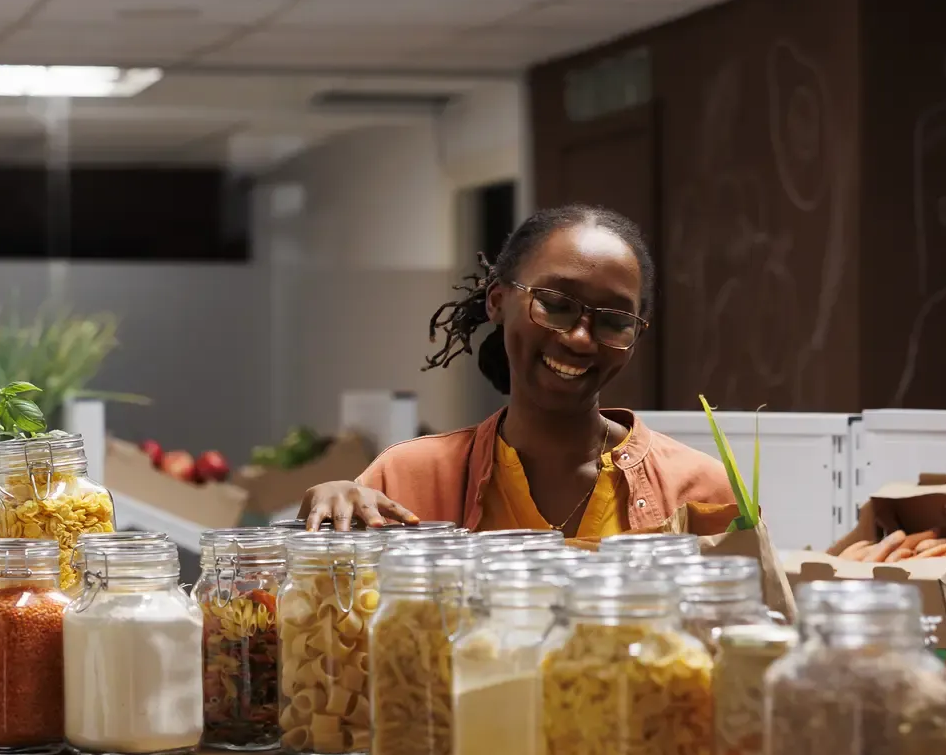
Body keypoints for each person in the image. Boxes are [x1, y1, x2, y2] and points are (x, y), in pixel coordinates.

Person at [301, 204, 733, 535]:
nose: (580, 338)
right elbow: (337, 622)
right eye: (556, 305)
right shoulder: (410, 478)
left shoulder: (701, 493)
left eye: (614, 321)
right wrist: (328, 517)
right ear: (497, 301)